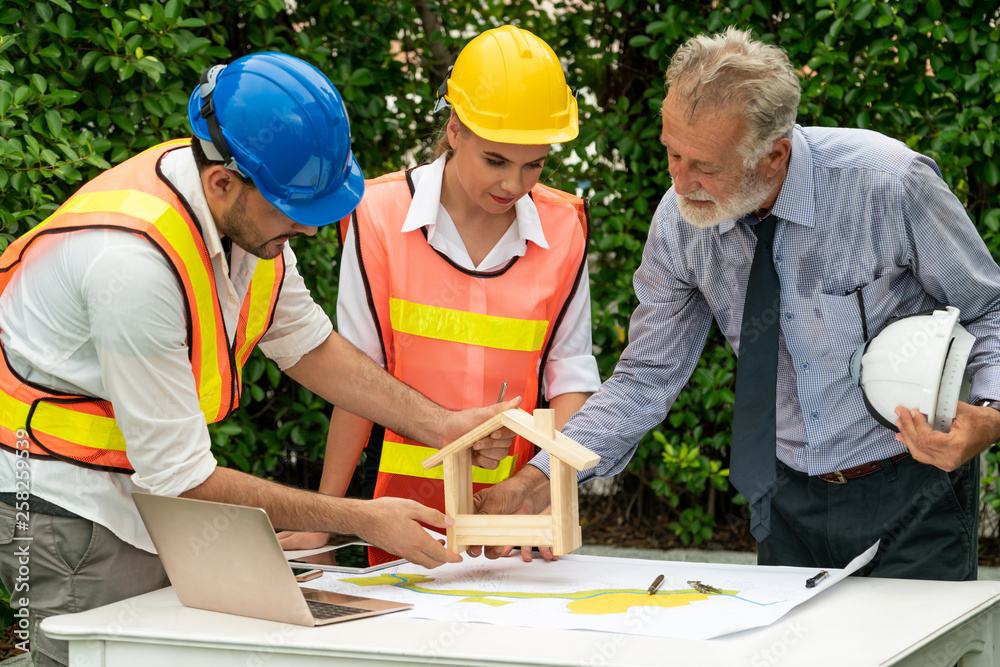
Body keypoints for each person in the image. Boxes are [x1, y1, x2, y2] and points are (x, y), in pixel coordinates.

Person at [0, 52, 517, 667]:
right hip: (65, 505)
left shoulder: (244, 205)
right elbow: (184, 479)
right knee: (107, 656)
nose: (310, 230)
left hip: (146, 492)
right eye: (298, 212)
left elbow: (310, 347)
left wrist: (441, 425)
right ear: (223, 183)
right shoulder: (132, 267)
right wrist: (359, 519)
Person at [472, 27, 1000, 581]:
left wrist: (989, 416)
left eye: (704, 166)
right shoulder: (679, 222)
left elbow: (988, 307)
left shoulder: (889, 183)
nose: (680, 182)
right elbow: (646, 376)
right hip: (784, 499)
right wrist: (540, 477)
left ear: (774, 157)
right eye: (672, 154)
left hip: (912, 489)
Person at [277, 25, 600, 563]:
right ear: (454, 130)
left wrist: (542, 487)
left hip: (515, 526)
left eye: (534, 164)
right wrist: (324, 518)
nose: (515, 185)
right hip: (402, 520)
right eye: (496, 160)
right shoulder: (376, 215)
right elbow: (354, 375)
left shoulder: (564, 226)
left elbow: (570, 378)